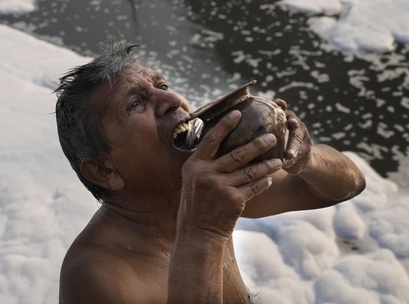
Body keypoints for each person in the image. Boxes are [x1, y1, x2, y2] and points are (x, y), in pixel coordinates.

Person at [54, 42, 366, 303]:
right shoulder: (97, 276)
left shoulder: (201, 189)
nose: (173, 100)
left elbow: (348, 184)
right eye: (135, 103)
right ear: (104, 170)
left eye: (162, 85)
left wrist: (304, 159)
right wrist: (203, 232)